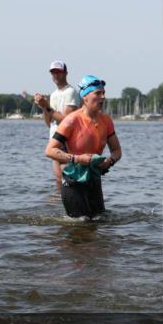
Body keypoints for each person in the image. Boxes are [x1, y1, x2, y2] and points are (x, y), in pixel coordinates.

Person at [45, 75, 121, 218]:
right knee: (80, 227)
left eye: (103, 93)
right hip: (73, 182)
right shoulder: (72, 120)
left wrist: (110, 161)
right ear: (85, 97)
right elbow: (50, 150)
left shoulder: (106, 120)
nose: (103, 97)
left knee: (98, 222)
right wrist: (77, 159)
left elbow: (117, 150)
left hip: (94, 179)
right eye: (98, 93)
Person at [34, 61, 81, 187]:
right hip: (54, 139)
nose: (55, 74)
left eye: (58, 71)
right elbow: (49, 123)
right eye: (53, 72)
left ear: (65, 73)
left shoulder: (71, 92)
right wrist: (43, 107)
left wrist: (47, 107)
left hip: (65, 139)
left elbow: (67, 120)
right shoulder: (54, 94)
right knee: (59, 180)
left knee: (67, 180)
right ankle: (58, 205)